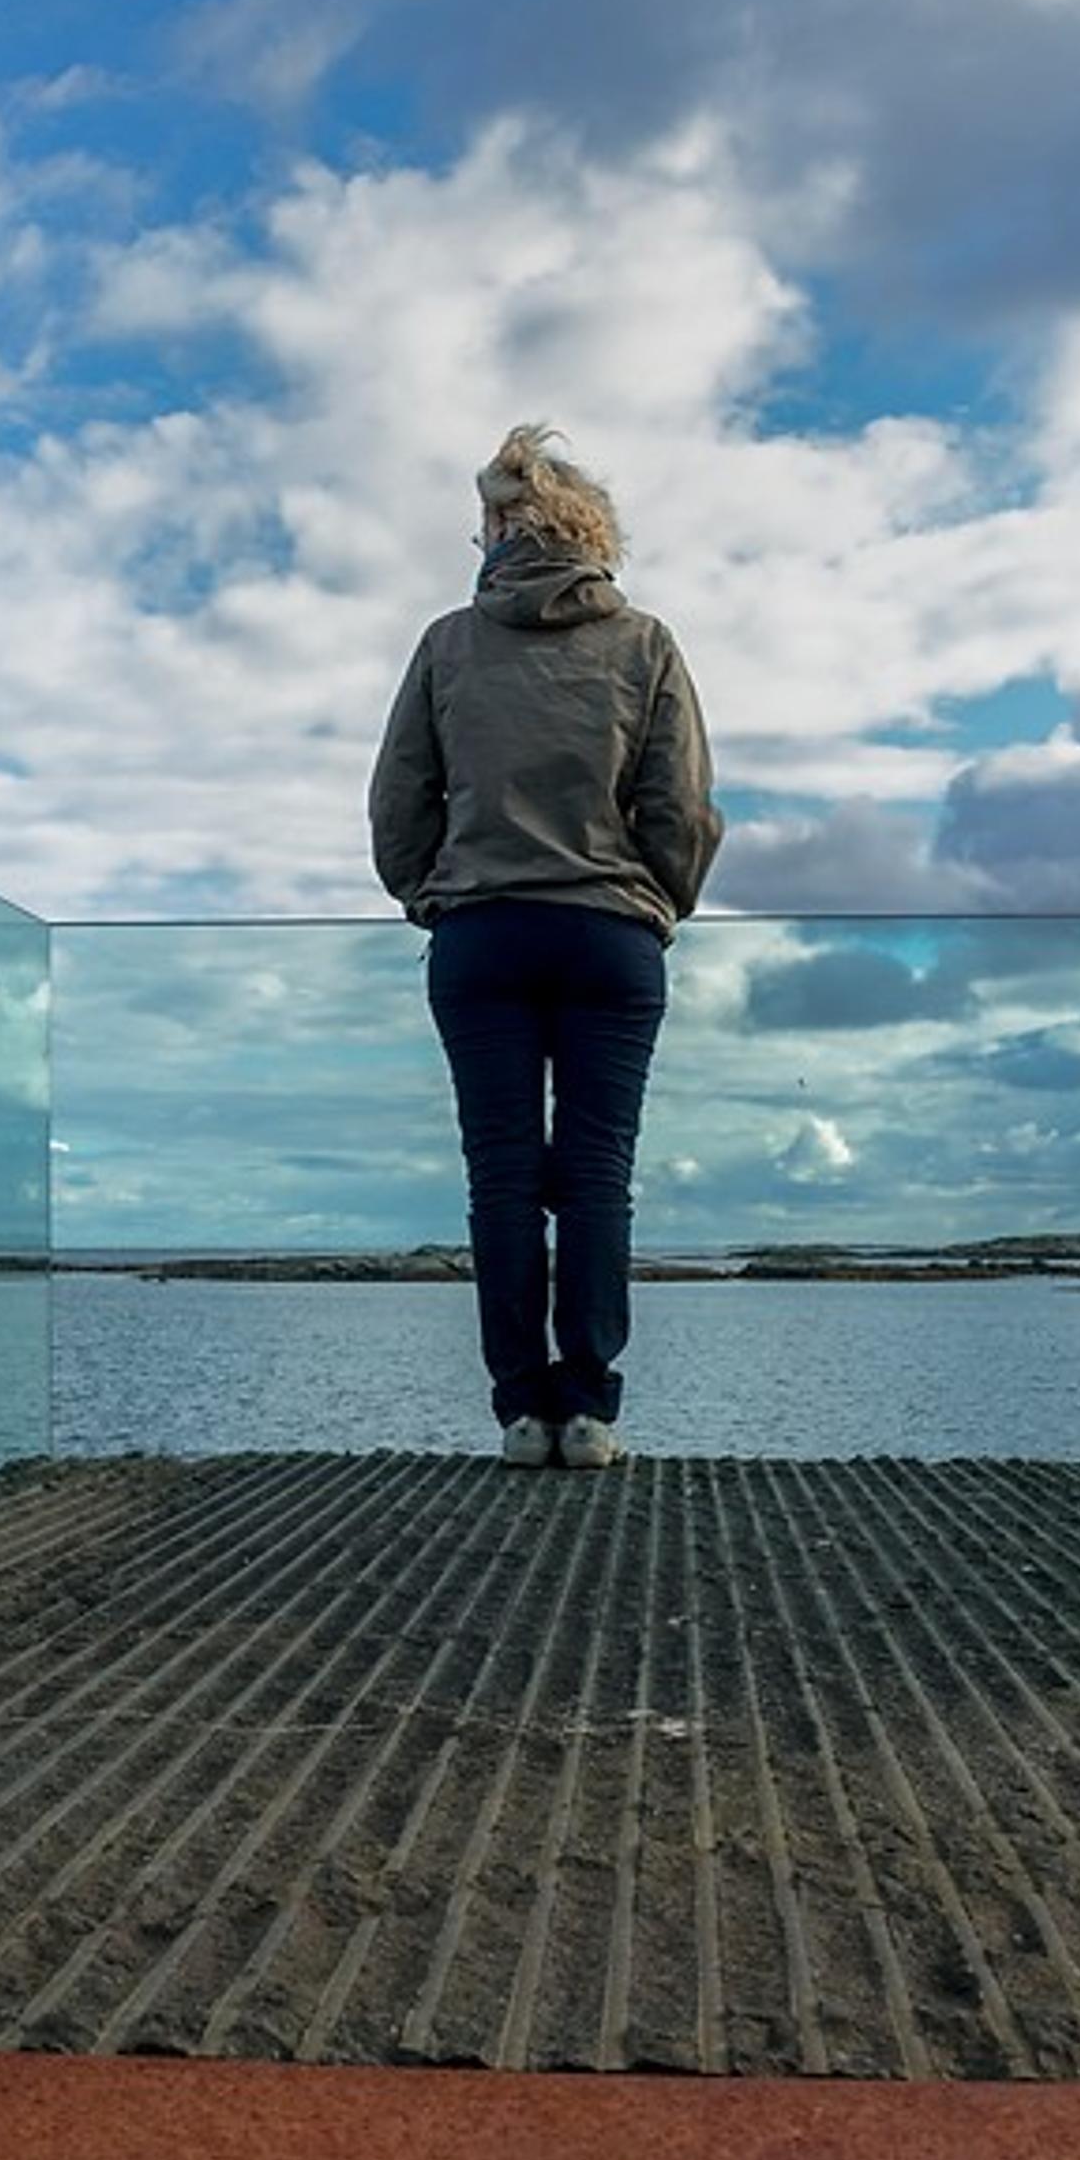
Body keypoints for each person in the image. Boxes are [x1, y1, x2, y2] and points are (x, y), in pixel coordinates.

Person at [369, 425, 723, 1470]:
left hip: (483, 933)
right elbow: (681, 808)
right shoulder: (645, 642)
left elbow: (399, 801)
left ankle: (525, 1410)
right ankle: (593, 1406)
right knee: (599, 1173)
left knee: (504, 1176)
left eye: (478, 519)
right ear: (590, 533)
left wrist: (432, 892)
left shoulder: (446, 643)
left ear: (499, 528)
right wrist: (657, 898)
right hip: (610, 936)